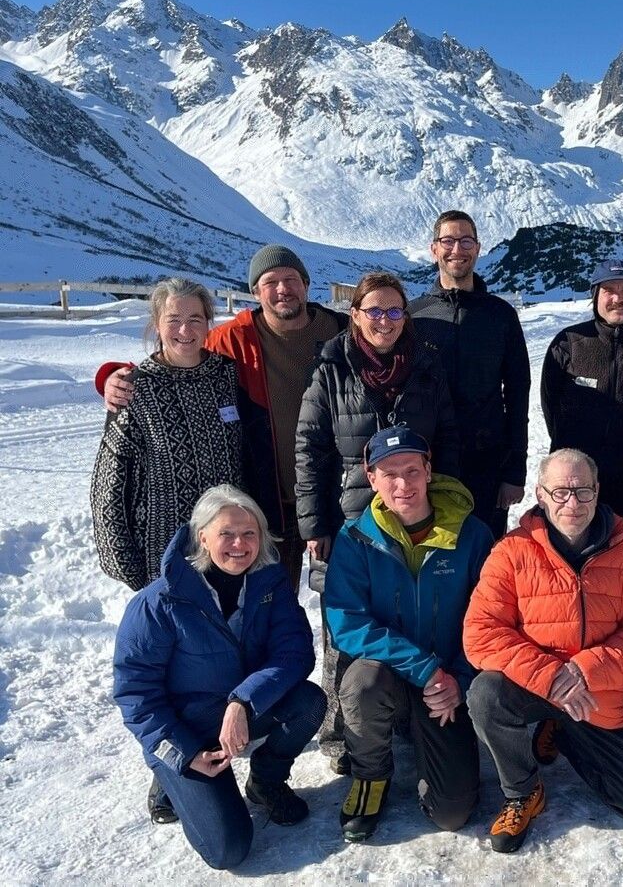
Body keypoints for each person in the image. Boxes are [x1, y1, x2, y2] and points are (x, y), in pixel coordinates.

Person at [96, 244, 347, 588]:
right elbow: (177, 354)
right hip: (270, 502)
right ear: (255, 291)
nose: (282, 289)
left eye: (291, 279)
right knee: (271, 603)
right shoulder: (233, 339)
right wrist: (113, 376)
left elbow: (386, 347)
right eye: (270, 281)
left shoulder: (342, 331)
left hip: (333, 495)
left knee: (344, 598)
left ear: (306, 284)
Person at [295, 270, 459, 774]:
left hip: (413, 507)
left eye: (393, 311)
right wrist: (314, 526)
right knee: (344, 630)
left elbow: (447, 439)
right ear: (355, 316)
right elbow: (310, 450)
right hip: (349, 522)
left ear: (404, 316)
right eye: (374, 311)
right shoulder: (331, 369)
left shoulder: (427, 367)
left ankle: (410, 716)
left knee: (410, 612)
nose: (384, 321)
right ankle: (344, 735)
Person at [112, 485, 325, 870]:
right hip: (184, 731)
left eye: (249, 533)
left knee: (308, 703)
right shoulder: (159, 602)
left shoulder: (270, 584)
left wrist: (242, 701)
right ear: (202, 536)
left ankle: (265, 782)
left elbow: (294, 653)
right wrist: (184, 753)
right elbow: (135, 695)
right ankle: (170, 779)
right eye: (226, 533)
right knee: (228, 851)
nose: (239, 544)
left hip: (237, 712)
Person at [463, 449, 623, 853]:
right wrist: (552, 675)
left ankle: (567, 732)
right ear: (540, 493)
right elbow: (481, 633)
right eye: (560, 492)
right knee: (485, 695)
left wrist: (587, 669)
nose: (572, 502)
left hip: (597, 695)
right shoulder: (512, 551)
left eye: (582, 491)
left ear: (597, 491)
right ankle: (522, 791)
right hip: (535, 686)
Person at [324, 426, 493, 842]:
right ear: (372, 478)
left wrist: (459, 679)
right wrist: (424, 669)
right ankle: (371, 776)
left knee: (452, 814)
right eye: (390, 473)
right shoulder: (356, 539)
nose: (403, 484)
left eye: (412, 471)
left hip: (449, 682)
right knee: (361, 681)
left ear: (429, 471)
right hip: (394, 677)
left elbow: (493, 618)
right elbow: (346, 621)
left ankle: (429, 749)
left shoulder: (472, 536)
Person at [541, 258, 623, 740]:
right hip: (573, 493)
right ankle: (554, 702)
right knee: (562, 594)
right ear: (595, 296)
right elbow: (552, 411)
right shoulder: (568, 346)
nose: (618, 299)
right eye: (608, 291)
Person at [92, 278, 250, 593]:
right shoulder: (135, 387)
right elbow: (109, 482)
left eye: (195, 320)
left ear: (208, 323)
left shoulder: (227, 375)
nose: (184, 330)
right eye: (173, 320)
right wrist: (124, 561)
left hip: (230, 546)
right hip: (164, 552)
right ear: (156, 324)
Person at [409, 210, 530, 539]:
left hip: (487, 464)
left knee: (486, 558)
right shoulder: (414, 316)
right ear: (434, 249)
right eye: (448, 241)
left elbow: (518, 395)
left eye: (466, 241)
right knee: (433, 555)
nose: (457, 249)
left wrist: (515, 470)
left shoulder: (500, 315)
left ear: (477, 248)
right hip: (429, 465)